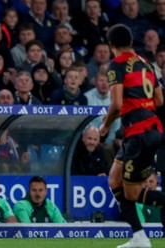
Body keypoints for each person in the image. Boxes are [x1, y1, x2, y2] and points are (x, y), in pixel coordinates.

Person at [99, 24, 165, 248]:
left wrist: (104, 127)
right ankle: (138, 237)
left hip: (139, 133)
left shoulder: (116, 65)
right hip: (148, 130)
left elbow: (116, 104)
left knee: (132, 192)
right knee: (114, 180)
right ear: (131, 43)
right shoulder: (146, 64)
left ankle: (140, 239)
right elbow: (159, 101)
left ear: (111, 45)